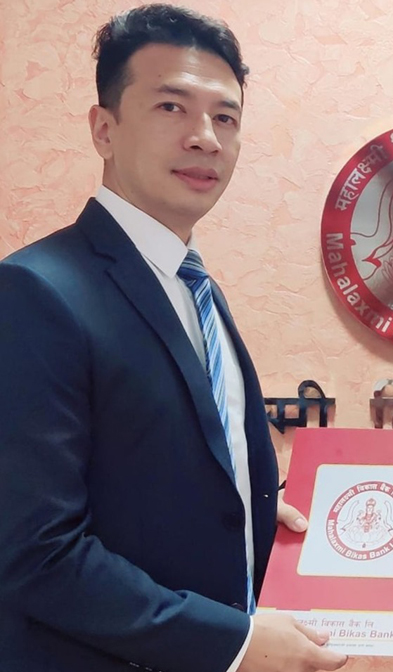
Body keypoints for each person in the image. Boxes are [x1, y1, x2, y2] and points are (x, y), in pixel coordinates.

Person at [0, 5, 346, 672]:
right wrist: (233, 644)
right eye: (171, 107)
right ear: (103, 129)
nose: (205, 138)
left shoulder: (196, 288)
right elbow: (33, 552)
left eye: (226, 117)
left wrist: (247, 513)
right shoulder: (34, 292)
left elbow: (142, 478)